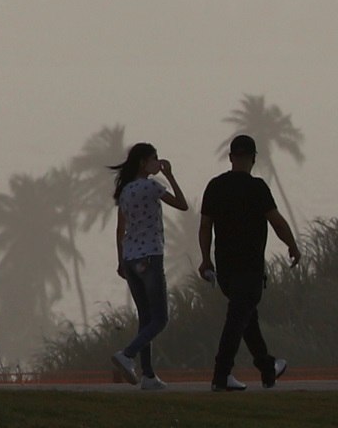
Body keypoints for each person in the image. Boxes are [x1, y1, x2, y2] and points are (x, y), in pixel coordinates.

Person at [198, 133, 299, 391]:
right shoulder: (257, 188)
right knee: (237, 321)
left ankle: (268, 369)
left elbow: (205, 226)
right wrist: (292, 245)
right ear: (253, 159)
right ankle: (221, 376)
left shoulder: (215, 186)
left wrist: (206, 259)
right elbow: (276, 222)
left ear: (231, 157)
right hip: (250, 268)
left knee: (246, 320)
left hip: (226, 271)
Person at [107, 142, 185, 388]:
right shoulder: (152, 186)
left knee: (146, 318)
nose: (158, 163)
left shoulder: (125, 191)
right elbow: (182, 204)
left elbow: (120, 230)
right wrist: (170, 175)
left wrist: (120, 260)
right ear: (143, 162)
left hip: (131, 259)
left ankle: (148, 375)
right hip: (150, 256)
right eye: (154, 159)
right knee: (160, 319)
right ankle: (127, 354)